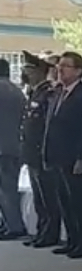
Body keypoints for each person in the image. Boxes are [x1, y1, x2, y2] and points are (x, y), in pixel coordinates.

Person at [43, 51, 82, 258]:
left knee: (79, 201)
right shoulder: (58, 93)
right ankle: (73, 239)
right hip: (57, 156)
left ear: (78, 71)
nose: (60, 69)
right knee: (64, 200)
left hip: (74, 157)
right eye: (60, 65)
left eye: (66, 66)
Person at [20, 51, 60, 247]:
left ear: (38, 72)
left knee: (47, 197)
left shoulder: (47, 93)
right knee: (38, 197)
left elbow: (45, 126)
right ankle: (41, 230)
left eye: (29, 71)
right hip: (32, 152)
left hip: (41, 152)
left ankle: (50, 233)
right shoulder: (34, 92)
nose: (26, 74)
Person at [0, 58, 27, 240]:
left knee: (6, 189)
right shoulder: (16, 90)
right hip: (14, 144)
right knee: (9, 187)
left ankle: (13, 225)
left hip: (2, 146)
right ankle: (10, 222)